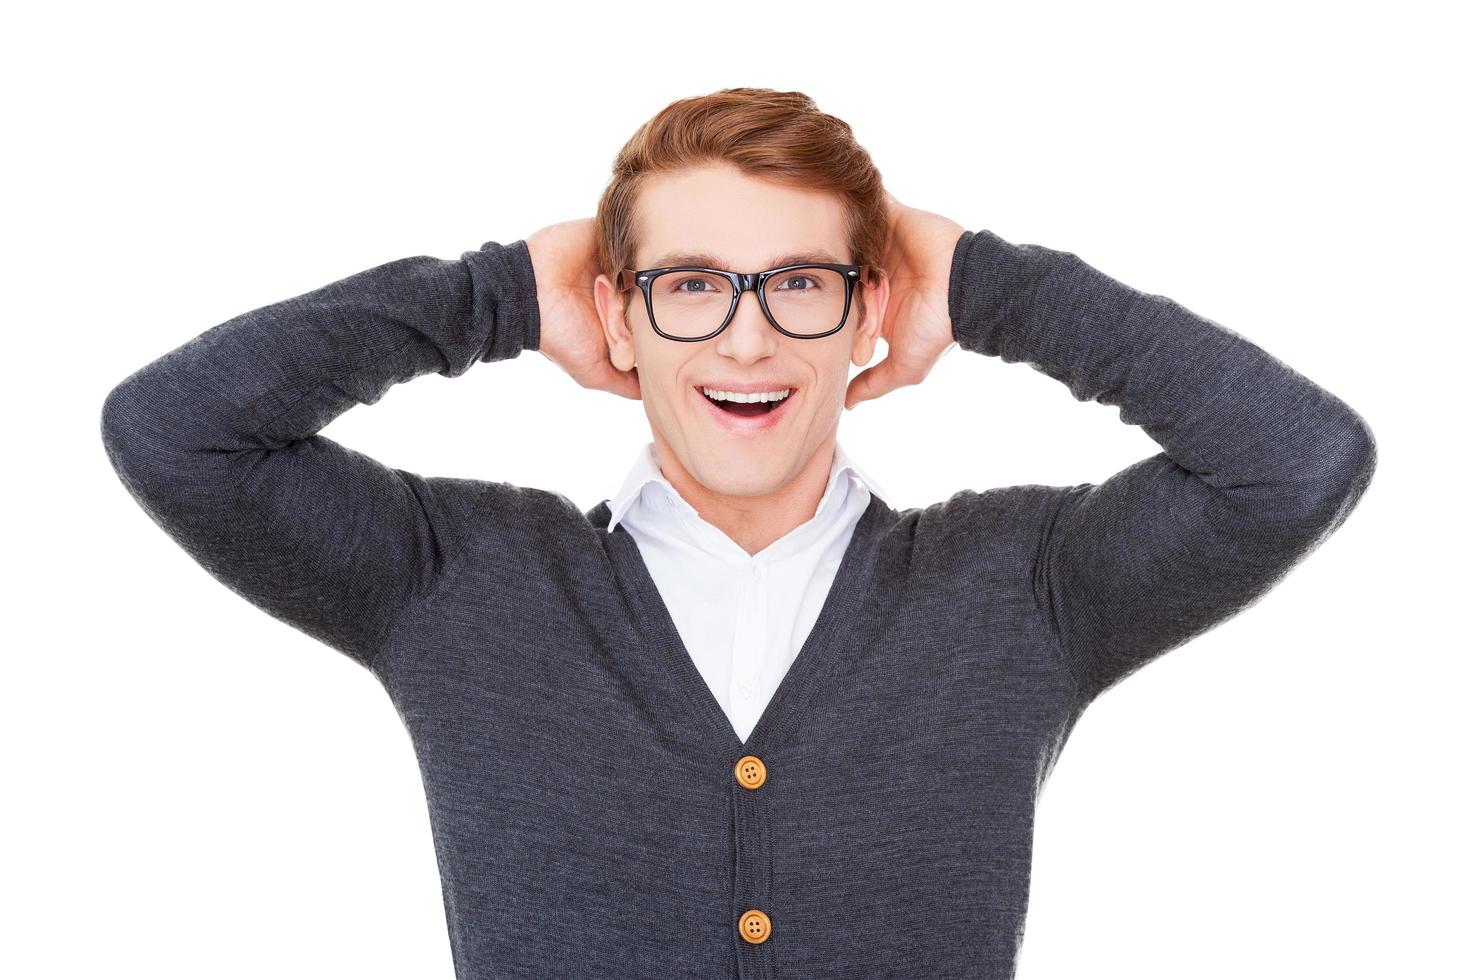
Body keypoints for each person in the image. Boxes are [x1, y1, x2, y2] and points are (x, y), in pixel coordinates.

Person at [100, 88, 1377, 979]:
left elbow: (1298, 460)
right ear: (618, 310)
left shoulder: (1021, 590)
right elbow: (175, 432)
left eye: (800, 284)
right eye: (691, 285)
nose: (748, 337)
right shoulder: (458, 581)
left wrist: (988, 281)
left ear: (869, 306)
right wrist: (488, 296)